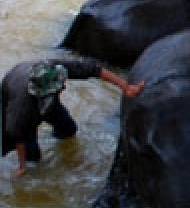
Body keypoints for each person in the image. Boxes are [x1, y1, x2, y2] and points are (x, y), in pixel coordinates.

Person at [3, 58, 143, 177]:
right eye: (59, 87)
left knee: (68, 130)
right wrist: (22, 167)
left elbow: (95, 70)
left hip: (47, 101)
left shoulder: (55, 68)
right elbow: (15, 133)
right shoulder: (21, 107)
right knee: (33, 158)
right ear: (43, 92)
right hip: (16, 98)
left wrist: (126, 87)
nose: (63, 88)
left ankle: (51, 135)